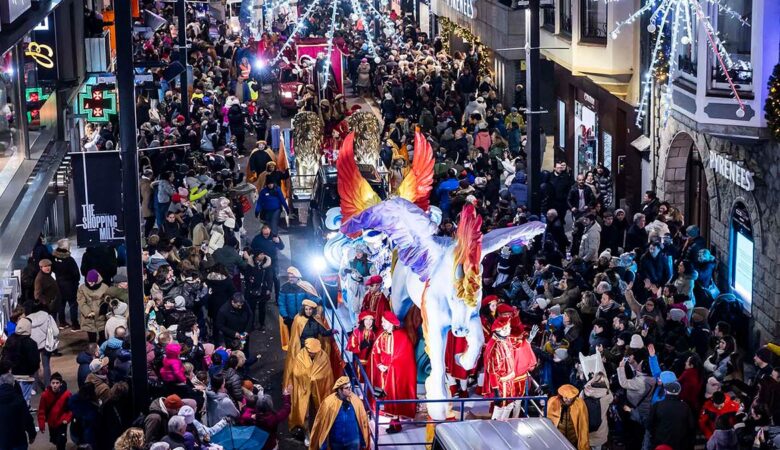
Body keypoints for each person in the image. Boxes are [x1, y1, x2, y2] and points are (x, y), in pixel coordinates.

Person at [369, 310, 417, 433]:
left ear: (391, 322)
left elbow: (404, 357)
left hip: (397, 374)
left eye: (384, 322)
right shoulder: (382, 335)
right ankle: (393, 421)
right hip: (384, 373)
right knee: (386, 396)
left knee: (396, 395)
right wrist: (379, 365)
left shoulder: (402, 336)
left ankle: (395, 423)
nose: (382, 324)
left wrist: (391, 366)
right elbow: (376, 351)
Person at [289, 338, 334, 445]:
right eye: (311, 353)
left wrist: (316, 378)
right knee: (305, 413)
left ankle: (320, 433)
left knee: (318, 412)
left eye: (315, 353)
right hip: (304, 390)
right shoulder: (300, 356)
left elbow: (327, 374)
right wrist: (309, 377)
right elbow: (296, 373)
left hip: (319, 390)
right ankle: (307, 433)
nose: (313, 355)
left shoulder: (323, 357)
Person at [309, 376, 371, 450]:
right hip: (336, 442)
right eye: (346, 388)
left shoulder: (356, 401)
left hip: (353, 441)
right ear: (339, 390)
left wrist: (363, 442)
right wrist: (323, 445)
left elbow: (362, 422)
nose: (350, 389)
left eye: (350, 387)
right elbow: (322, 425)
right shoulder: (329, 403)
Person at [0, 318, 39, 404]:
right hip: (26, 377)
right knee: (24, 401)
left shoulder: (11, 339)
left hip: (10, 375)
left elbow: (5, 355)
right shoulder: (31, 343)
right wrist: (32, 371)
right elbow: (34, 361)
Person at [647, 381, 696, 450]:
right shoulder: (685, 407)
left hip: (660, 442)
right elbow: (691, 426)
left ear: (665, 391)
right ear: (679, 392)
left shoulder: (657, 405)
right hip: (680, 444)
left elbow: (649, 424)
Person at [547, 384, 590, 450]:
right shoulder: (553, 402)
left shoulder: (579, 404)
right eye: (566, 398)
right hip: (559, 440)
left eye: (571, 397)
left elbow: (583, 425)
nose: (569, 400)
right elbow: (549, 421)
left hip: (573, 440)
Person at [0, 373, 37, 449]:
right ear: (13, 384)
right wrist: (32, 434)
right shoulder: (19, 400)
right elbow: (27, 419)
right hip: (18, 441)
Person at [51, 239, 81, 329]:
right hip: (70, 286)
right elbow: (76, 274)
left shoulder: (54, 258)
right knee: (73, 304)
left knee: (61, 304)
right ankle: (75, 324)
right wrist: (76, 282)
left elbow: (53, 269)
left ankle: (62, 322)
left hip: (59, 284)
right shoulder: (69, 260)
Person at [37, 372, 72, 450]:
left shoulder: (67, 394)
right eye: (53, 383)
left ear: (61, 384)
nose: (55, 385)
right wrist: (41, 424)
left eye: (57, 383)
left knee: (61, 442)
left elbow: (70, 409)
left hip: (62, 423)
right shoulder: (45, 395)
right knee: (55, 441)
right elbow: (42, 410)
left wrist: (67, 419)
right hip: (52, 424)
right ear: (50, 384)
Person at [581, 372, 613, 450]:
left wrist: (590, 381)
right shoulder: (607, 396)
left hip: (585, 430)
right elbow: (611, 397)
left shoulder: (584, 393)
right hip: (600, 431)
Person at [77, 269, 109, 343]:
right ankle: (93, 351)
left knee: (103, 337)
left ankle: (102, 351)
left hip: (101, 315)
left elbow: (108, 299)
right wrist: (87, 312)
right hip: (89, 316)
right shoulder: (82, 288)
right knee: (92, 337)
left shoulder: (104, 287)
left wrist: (104, 307)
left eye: (92, 281)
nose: (90, 283)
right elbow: (81, 301)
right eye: (88, 281)